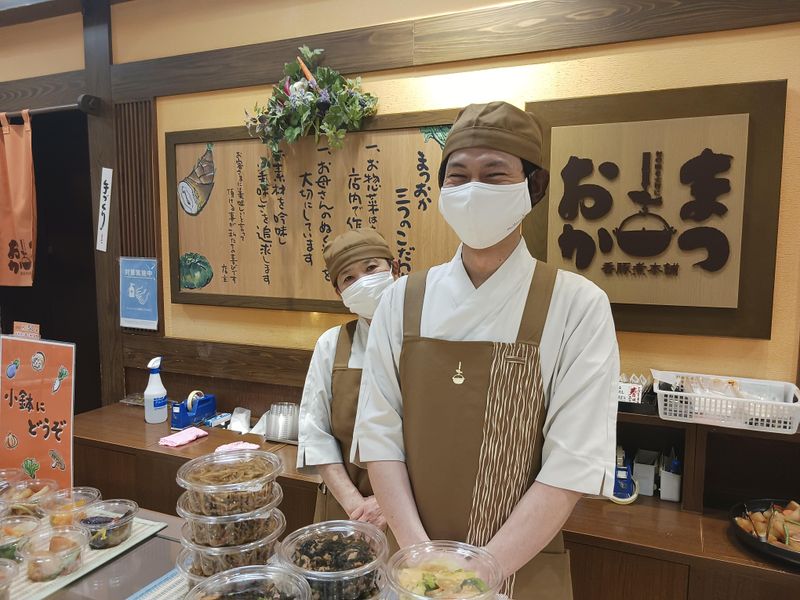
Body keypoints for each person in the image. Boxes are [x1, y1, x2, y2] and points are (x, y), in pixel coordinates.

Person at [352, 102, 619, 598]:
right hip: (411, 572)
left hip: (521, 572)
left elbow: (571, 465)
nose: (473, 190)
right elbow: (379, 439)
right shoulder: (400, 302)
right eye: (458, 176)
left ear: (532, 188)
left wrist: (476, 577)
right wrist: (425, 567)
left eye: (494, 175)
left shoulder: (578, 306)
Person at [297, 228, 399, 529]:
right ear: (340, 293)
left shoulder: (428, 338)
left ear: (394, 268)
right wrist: (358, 506)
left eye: (371, 268)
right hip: (346, 510)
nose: (363, 282)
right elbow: (315, 434)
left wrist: (389, 503)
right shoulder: (331, 345)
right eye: (349, 278)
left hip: (414, 511)